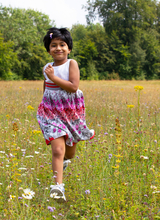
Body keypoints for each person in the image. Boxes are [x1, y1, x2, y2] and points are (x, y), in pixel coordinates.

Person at [36, 27, 95, 202]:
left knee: (69, 153)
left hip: (70, 112)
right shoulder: (47, 68)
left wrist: (53, 78)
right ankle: (57, 187)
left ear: (69, 48)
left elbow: (73, 86)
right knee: (57, 149)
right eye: (54, 45)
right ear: (48, 50)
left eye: (62, 45)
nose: (58, 48)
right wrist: (45, 107)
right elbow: (46, 89)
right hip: (51, 112)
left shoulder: (72, 64)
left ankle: (64, 162)